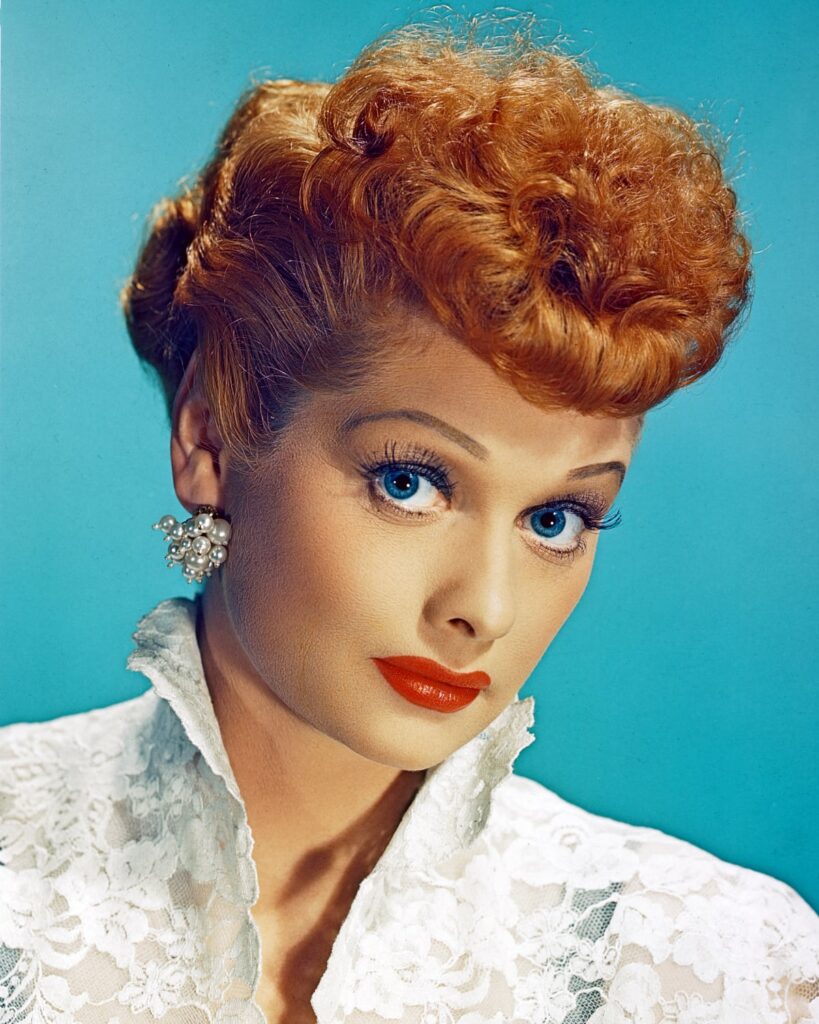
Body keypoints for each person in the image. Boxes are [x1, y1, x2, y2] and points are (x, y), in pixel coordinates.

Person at [1, 14, 817, 1024]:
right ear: (209, 439)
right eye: (410, 482)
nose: (484, 607)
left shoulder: (718, 966)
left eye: (556, 518)